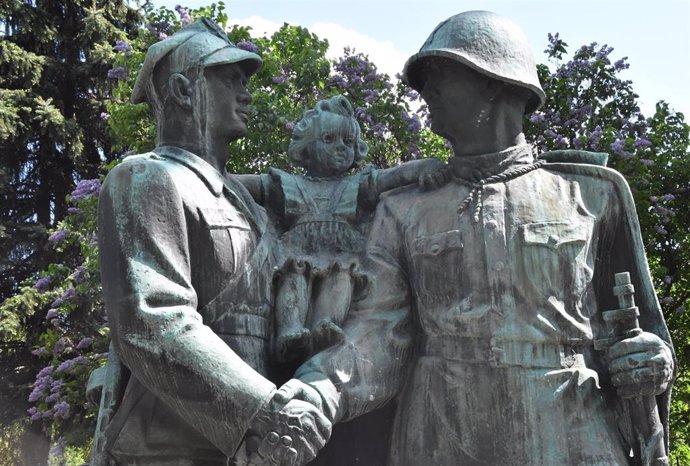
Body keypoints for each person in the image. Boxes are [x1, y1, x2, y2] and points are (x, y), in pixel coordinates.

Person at [288, 11, 675, 465]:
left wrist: (654, 360)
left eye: (442, 76)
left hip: (569, 434)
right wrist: (319, 390)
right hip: (444, 434)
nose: (426, 92)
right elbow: (377, 335)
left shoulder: (592, 193)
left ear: (493, 82)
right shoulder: (403, 209)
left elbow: (641, 325)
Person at [92, 18, 329, 466]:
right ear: (183, 91)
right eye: (229, 80)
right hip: (170, 447)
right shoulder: (146, 178)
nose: (246, 94)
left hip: (255, 446)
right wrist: (263, 407)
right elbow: (154, 320)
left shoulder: (251, 207)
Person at [242, 95, 441, 362]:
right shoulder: (287, 184)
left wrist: (424, 167)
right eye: (329, 139)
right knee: (294, 277)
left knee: (341, 278)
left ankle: (326, 325)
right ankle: (289, 331)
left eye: (348, 142)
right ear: (307, 147)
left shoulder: (357, 185)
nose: (340, 148)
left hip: (342, 255)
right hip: (297, 253)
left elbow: (394, 176)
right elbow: (241, 183)